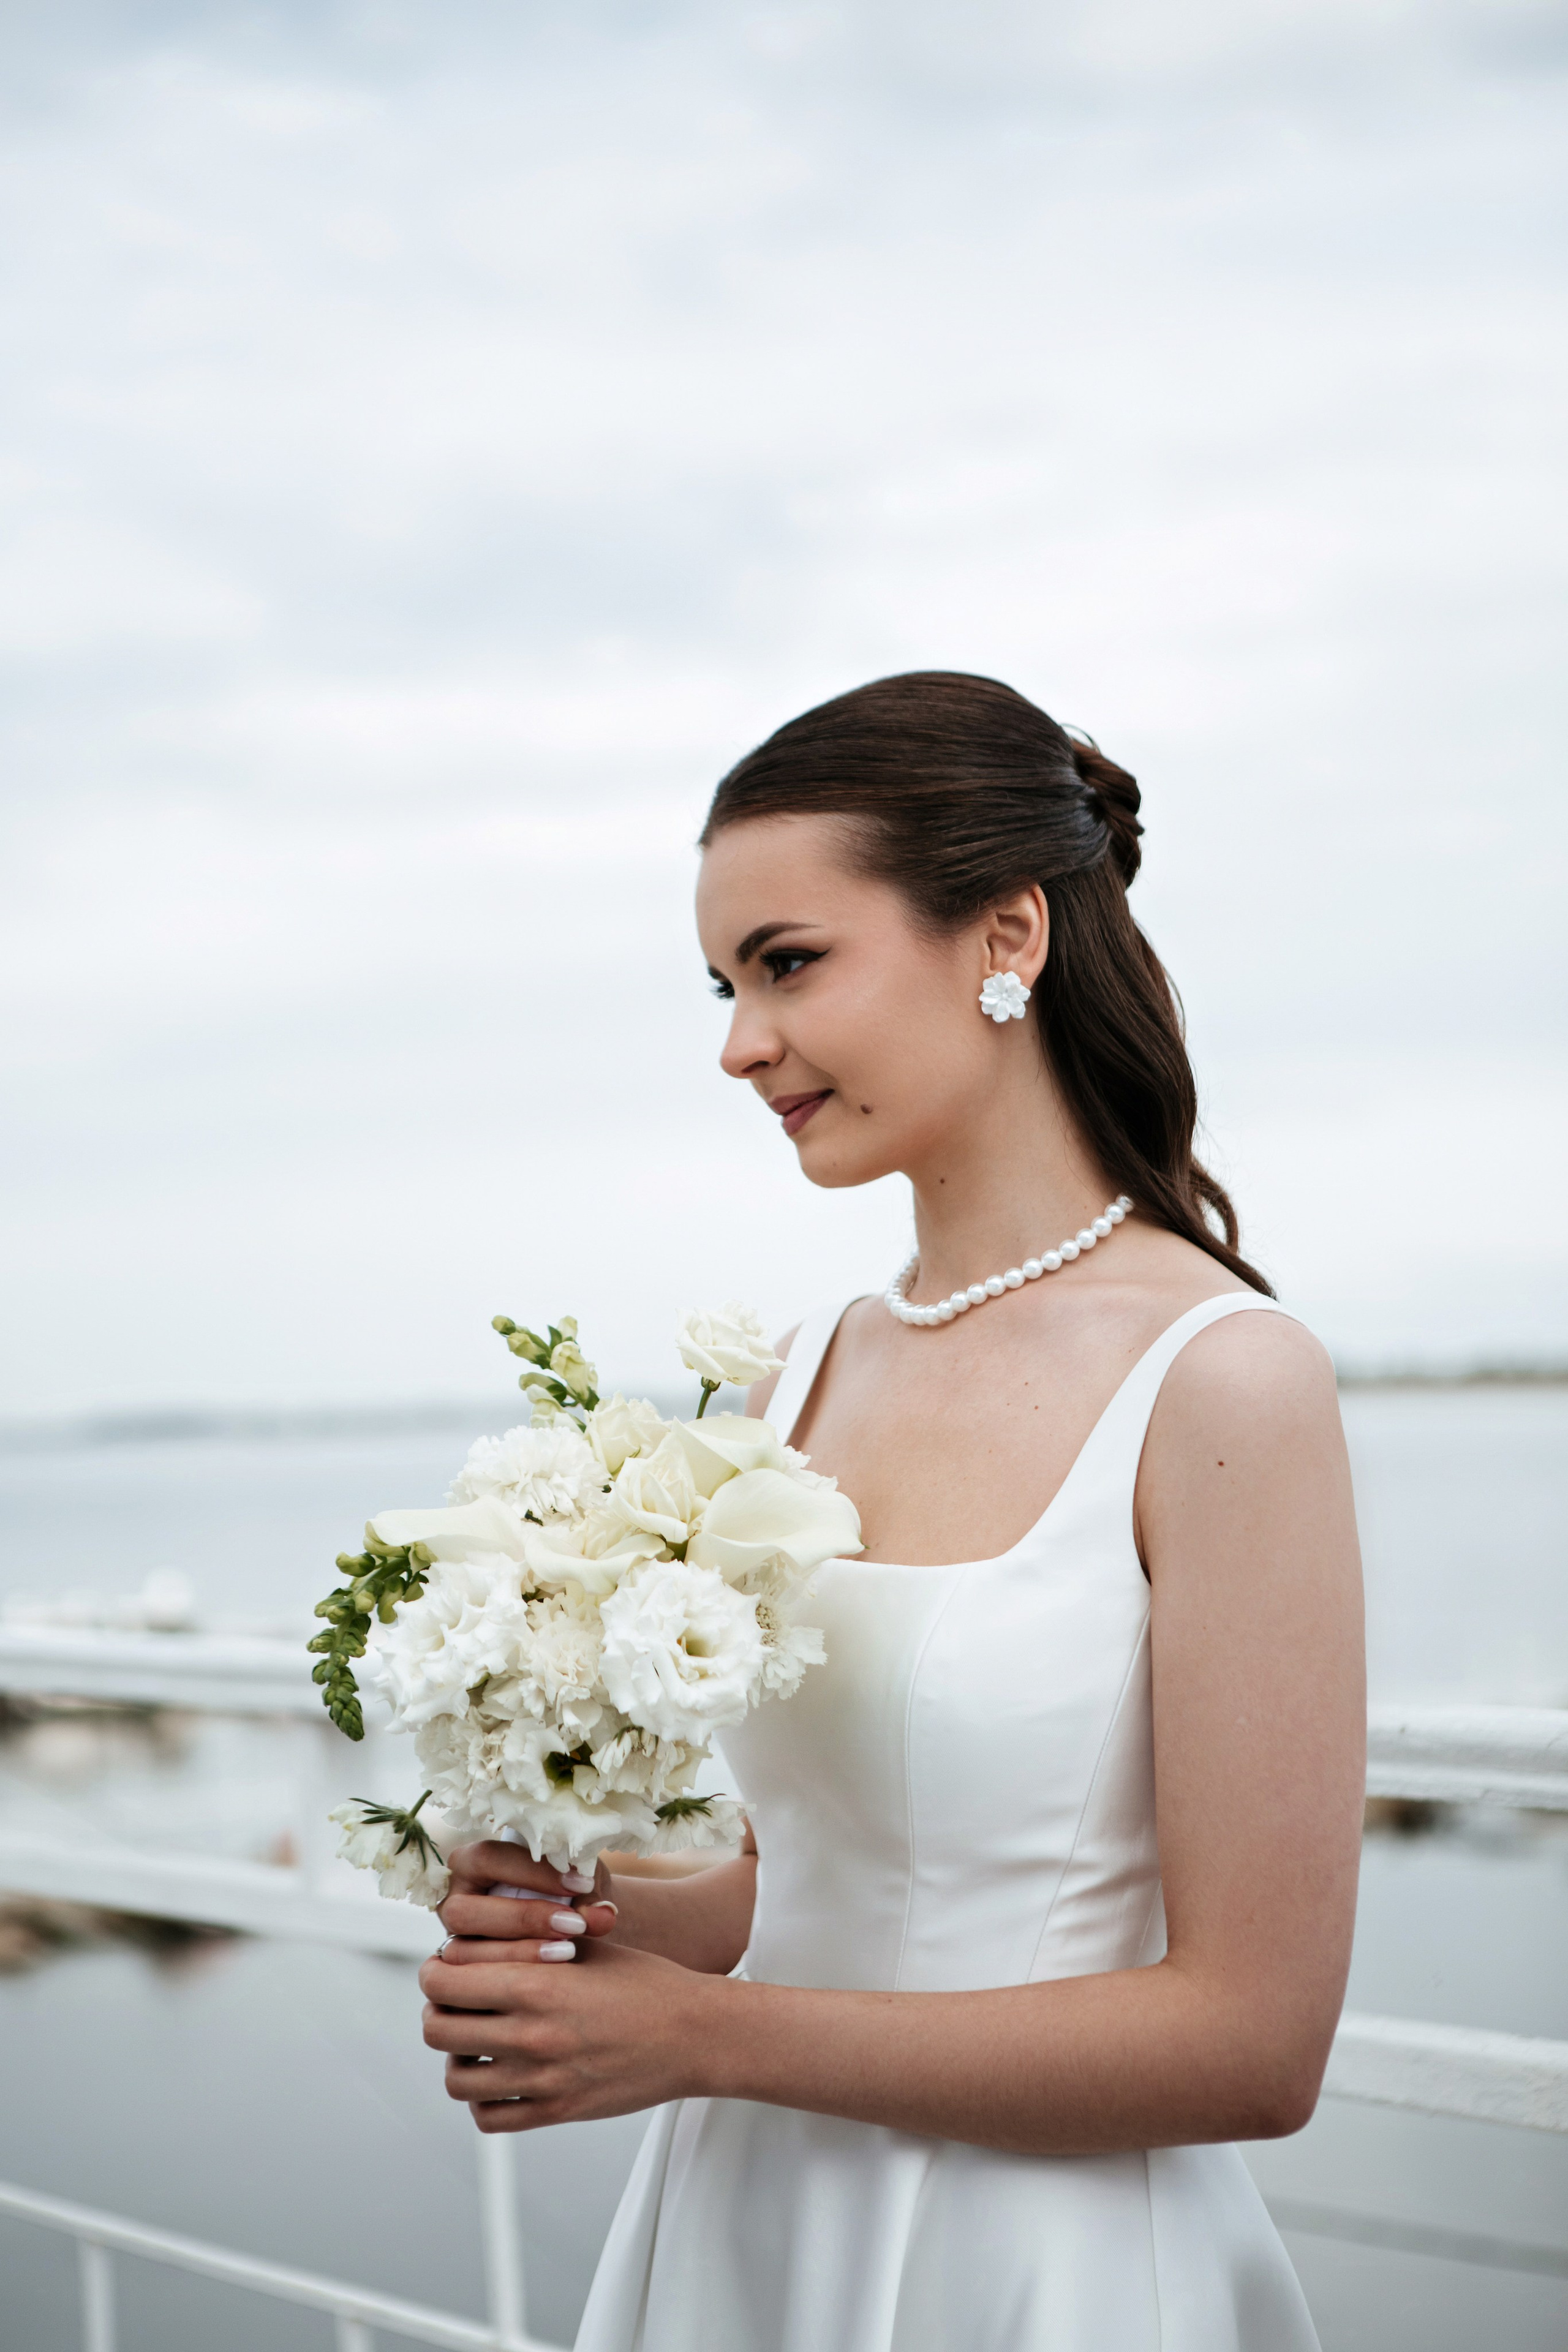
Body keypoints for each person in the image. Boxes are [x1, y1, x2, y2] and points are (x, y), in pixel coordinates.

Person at [419, 671, 1365, 2351]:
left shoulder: (1224, 1380)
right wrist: (576, 1902)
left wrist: (700, 2042)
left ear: (1005, 936)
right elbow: (815, 1880)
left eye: (787, 965)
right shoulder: (799, 1380)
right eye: (722, 984)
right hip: (749, 2230)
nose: (737, 1043)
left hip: (1039, 2269)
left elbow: (1253, 2044)